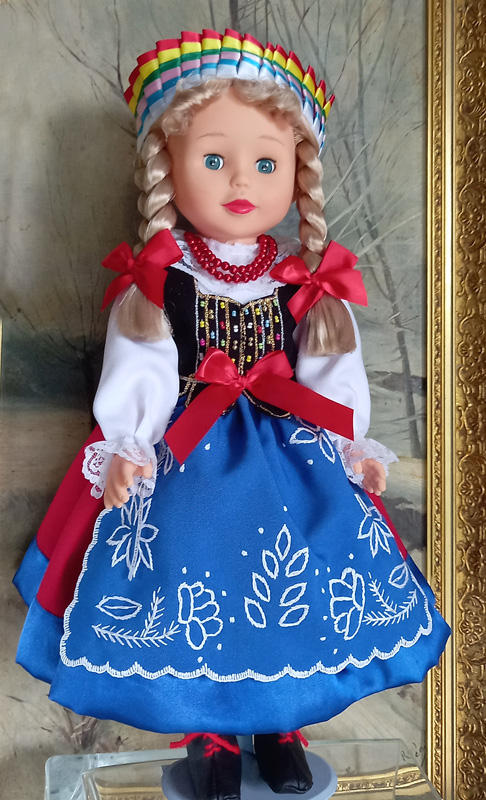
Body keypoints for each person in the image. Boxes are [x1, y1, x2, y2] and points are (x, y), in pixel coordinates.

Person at [14, 29, 450, 800]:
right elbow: (141, 370)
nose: (241, 179)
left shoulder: (302, 284)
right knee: (193, 582)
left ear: (296, 176)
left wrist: (354, 447)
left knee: (297, 587)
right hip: (187, 457)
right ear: (168, 166)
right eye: (214, 159)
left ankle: (282, 726)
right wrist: (127, 446)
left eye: (266, 163)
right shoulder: (159, 281)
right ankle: (207, 731)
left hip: (293, 454)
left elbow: (332, 375)